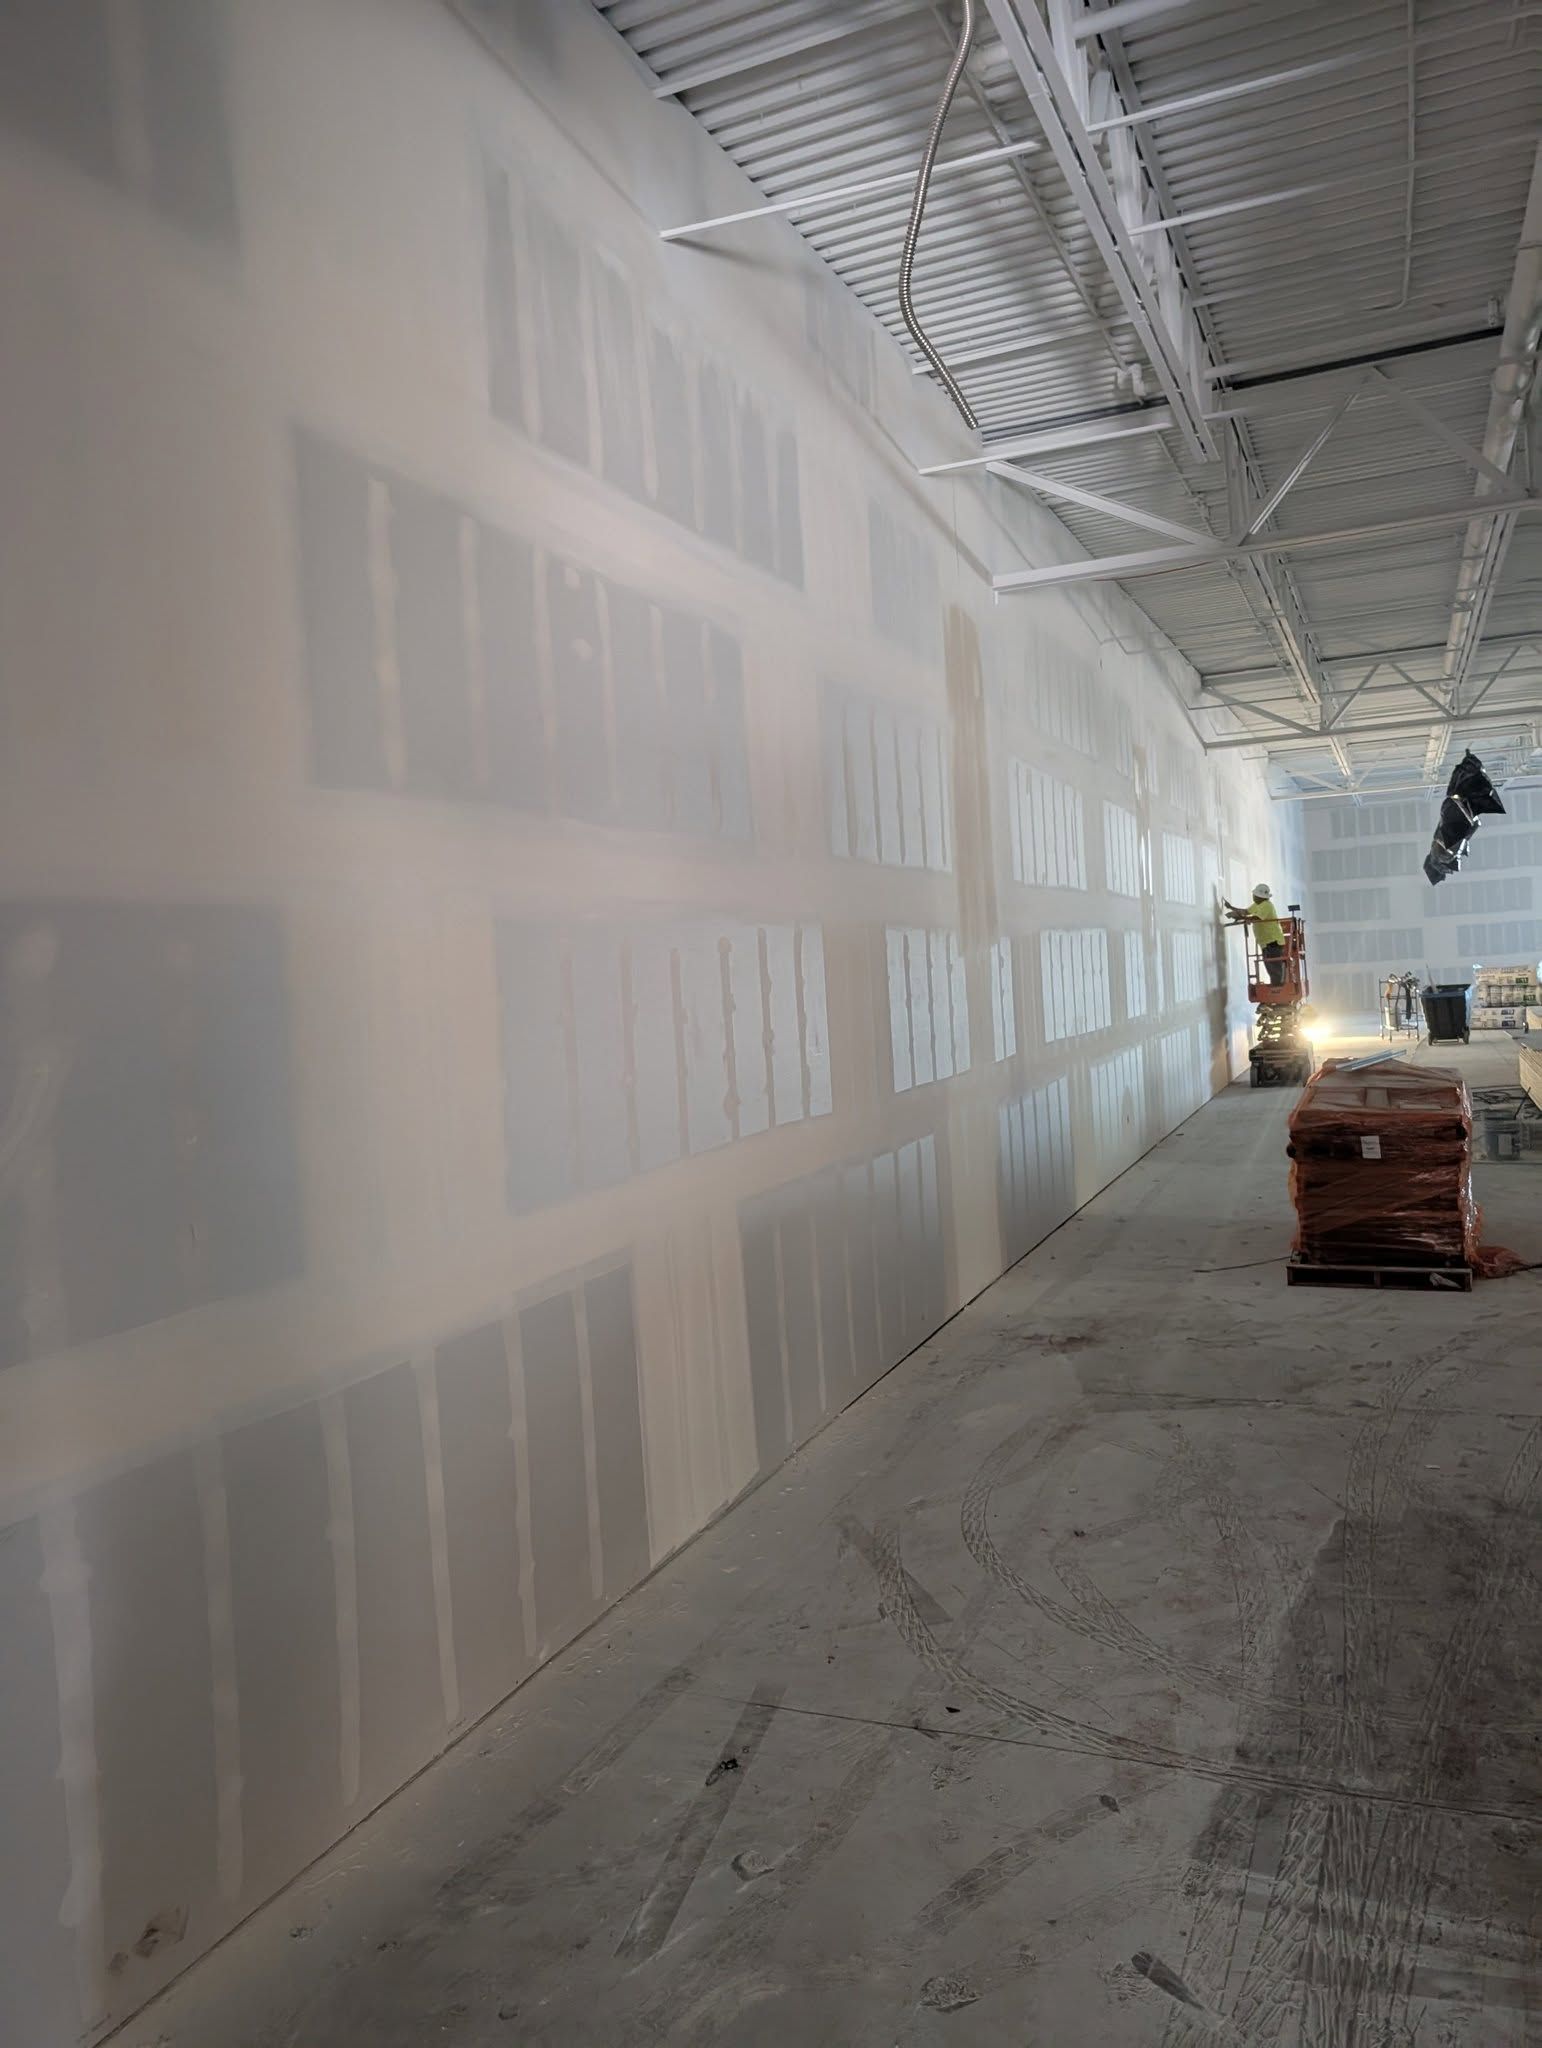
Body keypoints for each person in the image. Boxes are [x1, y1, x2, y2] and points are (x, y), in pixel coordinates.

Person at [1224, 883, 1287, 984]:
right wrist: (1231, 908)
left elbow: (1256, 918)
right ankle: (1276, 988)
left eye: (1255, 895)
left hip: (1273, 941)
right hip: (1266, 942)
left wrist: (1240, 917)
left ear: (1260, 896)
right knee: (1269, 966)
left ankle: (1278, 989)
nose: (1253, 897)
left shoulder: (1267, 905)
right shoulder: (1258, 904)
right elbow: (1245, 911)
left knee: (1274, 967)